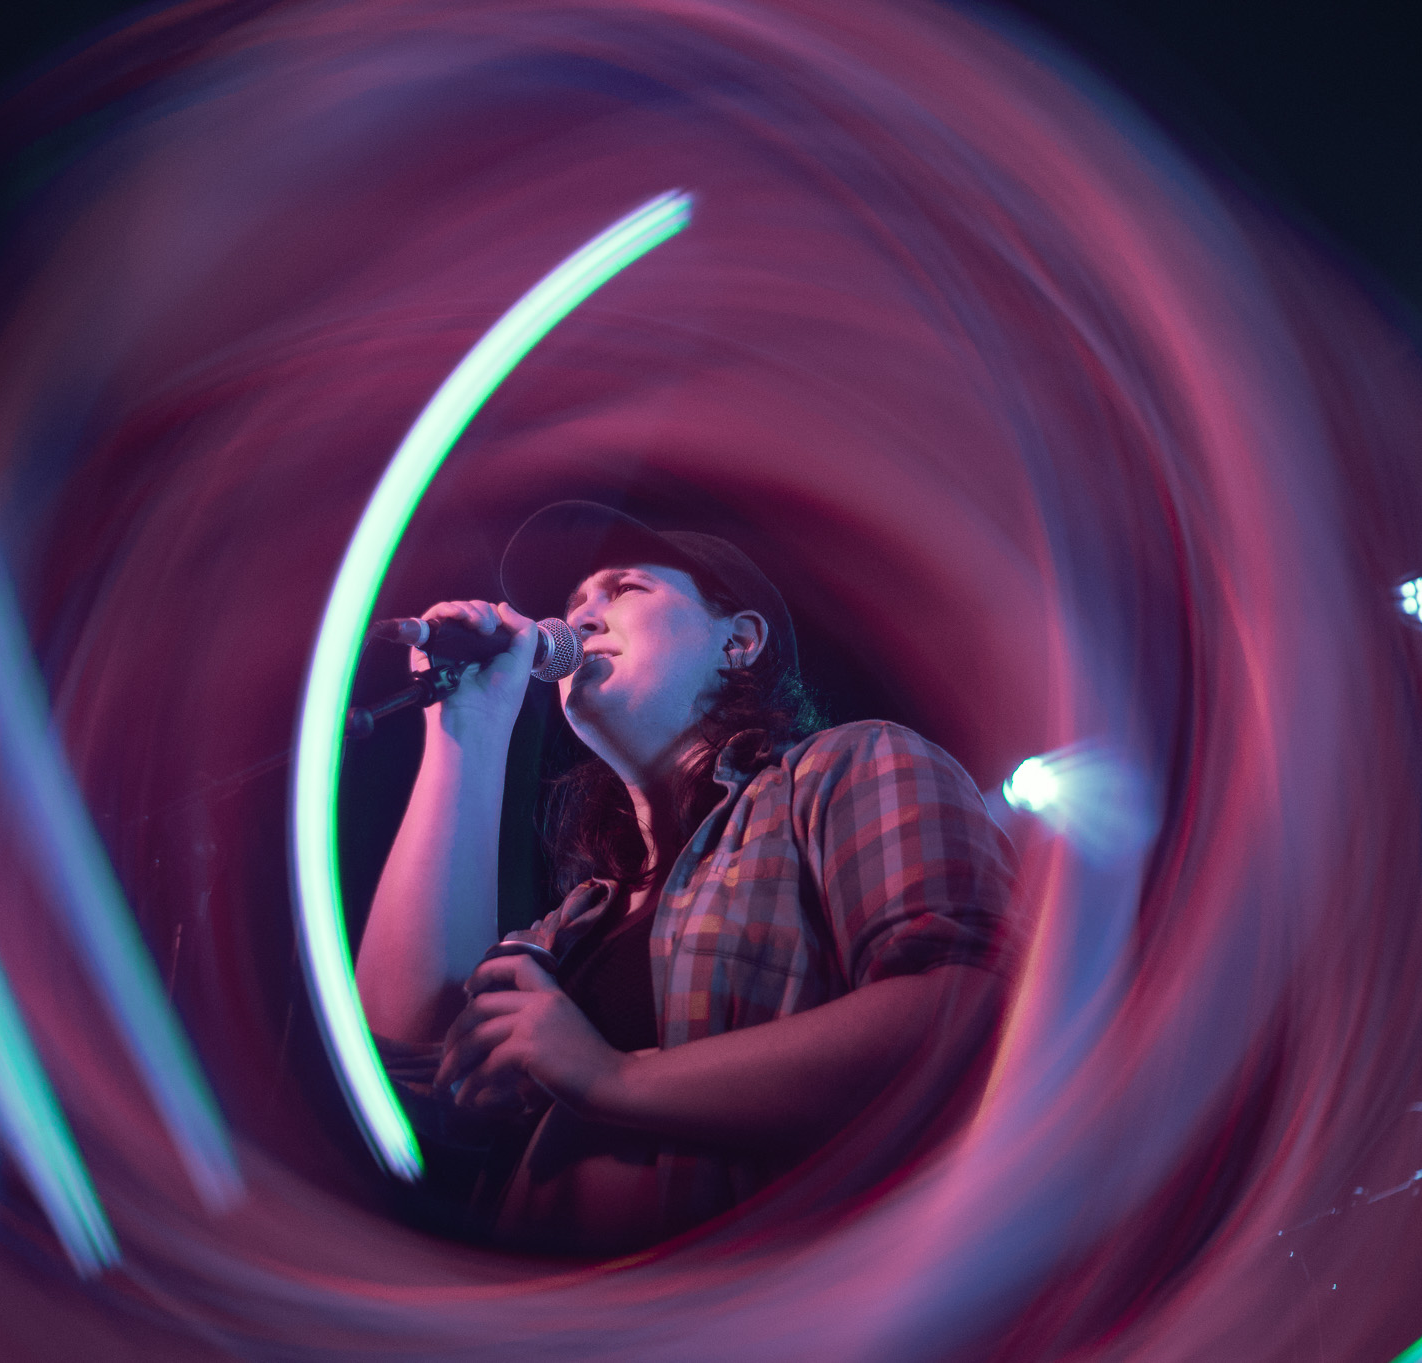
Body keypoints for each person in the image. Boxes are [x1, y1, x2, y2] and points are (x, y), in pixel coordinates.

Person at [354, 501, 1014, 1253]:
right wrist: (468, 728)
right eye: (574, 603)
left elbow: (964, 1017)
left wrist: (610, 1079)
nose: (580, 617)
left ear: (737, 641)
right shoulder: (571, 922)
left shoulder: (848, 767)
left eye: (625, 588)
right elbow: (412, 1057)